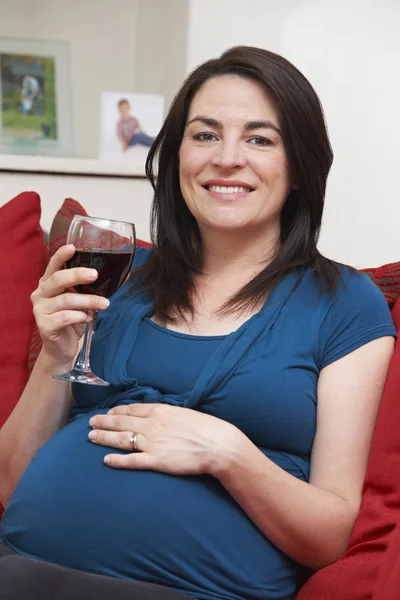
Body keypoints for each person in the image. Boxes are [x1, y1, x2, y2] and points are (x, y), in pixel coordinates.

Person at [0, 46, 396, 600]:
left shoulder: (345, 303)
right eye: (205, 134)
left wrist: (228, 452)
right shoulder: (120, 278)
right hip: (22, 567)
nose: (227, 158)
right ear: (177, 155)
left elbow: (330, 534)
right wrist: (57, 357)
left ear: (301, 166)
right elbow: (10, 484)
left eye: (260, 138)